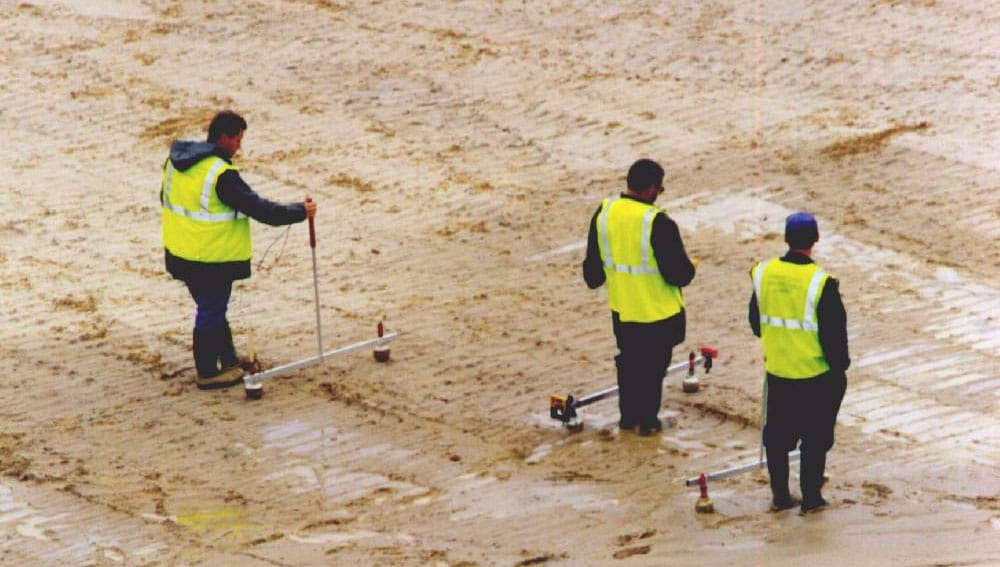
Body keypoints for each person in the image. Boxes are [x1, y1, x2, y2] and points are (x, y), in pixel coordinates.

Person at [160, 110, 317, 390]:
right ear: (223, 137)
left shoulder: (177, 164)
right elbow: (262, 210)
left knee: (211, 307)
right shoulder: (220, 174)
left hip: (181, 253)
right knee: (211, 308)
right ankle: (208, 372)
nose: (239, 146)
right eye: (237, 139)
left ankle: (228, 361)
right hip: (210, 257)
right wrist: (300, 211)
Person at [583, 159, 697, 435]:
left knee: (629, 362)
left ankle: (627, 418)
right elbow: (679, 275)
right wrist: (692, 266)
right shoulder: (658, 222)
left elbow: (592, 274)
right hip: (658, 312)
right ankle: (648, 423)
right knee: (654, 368)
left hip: (623, 309)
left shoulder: (605, 212)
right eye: (659, 188)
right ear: (650, 189)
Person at [749, 212, 849, 514]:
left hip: (779, 371)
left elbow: (756, 323)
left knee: (777, 438)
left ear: (786, 239)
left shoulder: (764, 274)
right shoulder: (822, 284)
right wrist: (839, 370)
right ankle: (811, 498)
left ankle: (780, 496)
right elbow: (836, 342)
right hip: (815, 375)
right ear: (815, 240)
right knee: (815, 439)